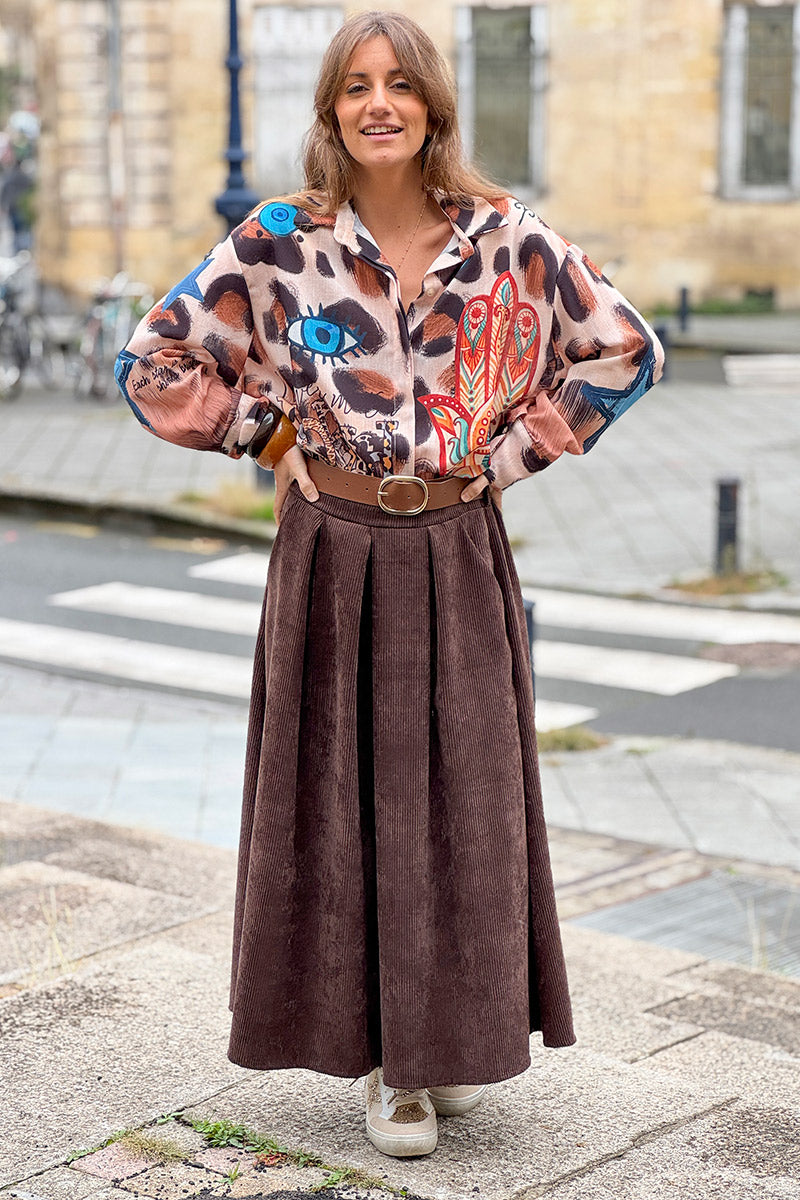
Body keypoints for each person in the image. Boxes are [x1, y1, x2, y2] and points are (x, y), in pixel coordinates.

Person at [116, 10, 663, 1159]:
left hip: (458, 546)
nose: (378, 103)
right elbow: (152, 361)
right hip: (328, 550)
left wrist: (508, 455)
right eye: (355, 86)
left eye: (399, 85)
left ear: (431, 107)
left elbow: (623, 352)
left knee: (464, 801)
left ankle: (443, 1043)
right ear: (330, 111)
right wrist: (267, 442)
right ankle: (383, 1068)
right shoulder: (277, 242)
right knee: (340, 799)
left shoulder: (504, 238)